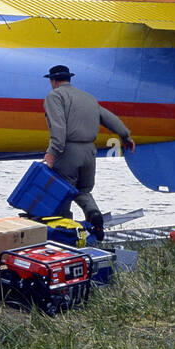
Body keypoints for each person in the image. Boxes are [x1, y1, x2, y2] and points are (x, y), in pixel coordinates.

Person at [41, 65, 136, 242]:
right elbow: (110, 119)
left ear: (53, 81)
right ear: (68, 79)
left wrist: (52, 153)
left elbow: (59, 128)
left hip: (68, 151)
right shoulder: (88, 97)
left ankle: (63, 238)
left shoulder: (55, 96)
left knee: (63, 193)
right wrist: (126, 136)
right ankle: (96, 220)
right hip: (89, 152)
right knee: (83, 191)